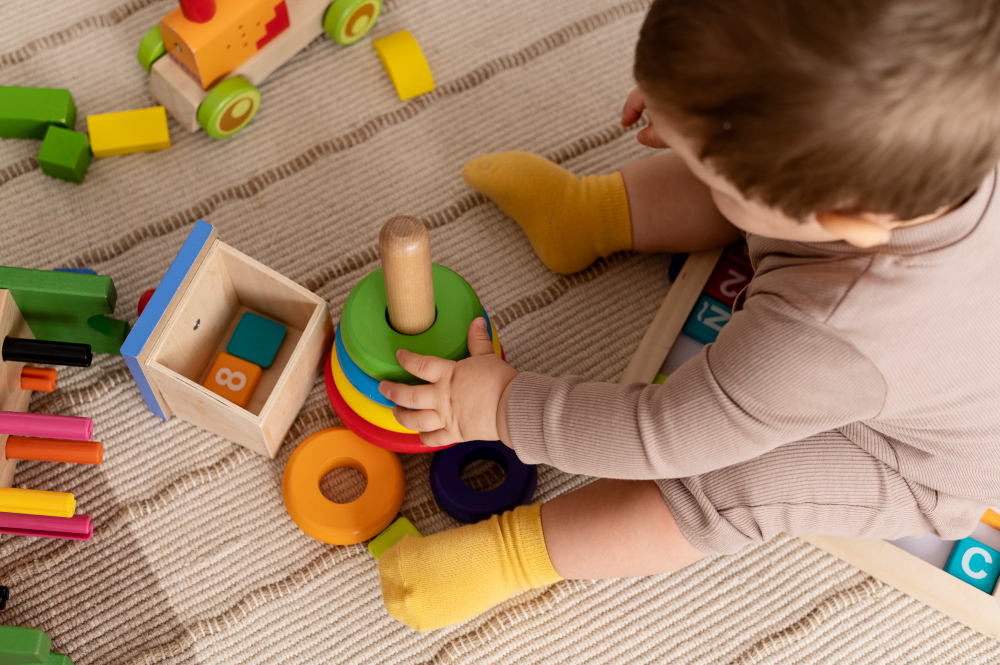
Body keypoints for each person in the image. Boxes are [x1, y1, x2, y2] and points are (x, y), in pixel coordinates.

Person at [374, 0, 1000, 631]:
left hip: (914, 459)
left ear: (845, 223)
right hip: (916, 310)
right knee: (739, 170)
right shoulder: (929, 134)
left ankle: (514, 555)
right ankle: (585, 215)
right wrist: (686, 95)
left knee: (732, 483)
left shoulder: (822, 335)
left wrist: (504, 408)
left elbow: (661, 434)